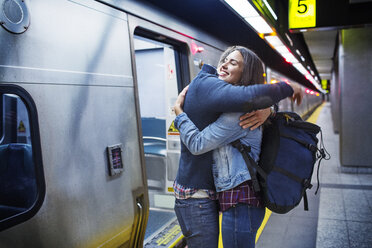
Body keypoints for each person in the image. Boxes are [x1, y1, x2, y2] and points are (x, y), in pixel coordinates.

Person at [173, 46, 303, 247]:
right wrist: (269, 108)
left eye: (233, 63)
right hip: (234, 199)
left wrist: (179, 113)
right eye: (225, 59)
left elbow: (198, 143)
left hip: (240, 200)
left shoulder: (238, 114)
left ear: (246, 74)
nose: (224, 64)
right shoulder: (227, 100)